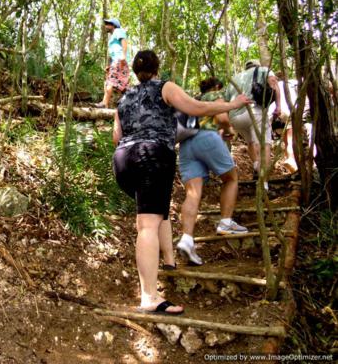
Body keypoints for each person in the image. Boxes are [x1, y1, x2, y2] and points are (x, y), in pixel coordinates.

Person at [112, 51, 250, 314]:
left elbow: (116, 136)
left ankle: (169, 260)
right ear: (157, 68)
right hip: (151, 155)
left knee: (155, 213)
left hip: (122, 160)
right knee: (148, 225)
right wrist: (232, 105)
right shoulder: (165, 87)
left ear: (134, 71)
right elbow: (196, 108)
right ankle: (149, 297)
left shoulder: (125, 97)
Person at [176, 77, 248, 266]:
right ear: (217, 86)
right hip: (207, 138)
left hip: (186, 145)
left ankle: (187, 238)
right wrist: (229, 129)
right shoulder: (216, 94)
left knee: (192, 193)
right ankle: (225, 222)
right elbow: (222, 118)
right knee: (231, 178)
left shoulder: (194, 98)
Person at [224, 60, 281, 184]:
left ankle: (256, 166)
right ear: (257, 65)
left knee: (250, 142)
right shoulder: (264, 70)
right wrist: (278, 106)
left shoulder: (235, 78)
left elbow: (227, 100)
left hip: (235, 118)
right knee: (263, 145)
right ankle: (264, 184)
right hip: (255, 112)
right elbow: (273, 84)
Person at [97, 18, 129, 108]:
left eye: (108, 24)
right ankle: (131, 102)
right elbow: (114, 52)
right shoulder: (113, 36)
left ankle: (104, 103)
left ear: (113, 25)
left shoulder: (118, 31)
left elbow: (124, 42)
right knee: (123, 85)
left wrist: (123, 56)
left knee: (110, 81)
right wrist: (110, 65)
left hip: (120, 60)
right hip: (117, 61)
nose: (106, 26)